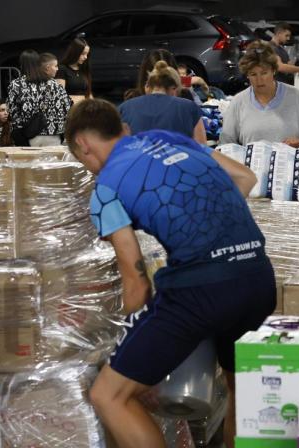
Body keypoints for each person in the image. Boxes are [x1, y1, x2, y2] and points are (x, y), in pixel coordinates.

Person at [64, 98, 272, 448]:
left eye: (81, 160)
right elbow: (244, 177)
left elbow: (136, 282)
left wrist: (126, 348)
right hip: (257, 275)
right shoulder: (167, 139)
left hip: (201, 291)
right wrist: (208, 228)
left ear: (83, 144)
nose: (89, 169)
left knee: (109, 395)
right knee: (243, 390)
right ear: (123, 129)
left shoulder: (105, 189)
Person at [220, 41, 299, 147]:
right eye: (253, 74)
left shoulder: (296, 96)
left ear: (273, 70)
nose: (259, 80)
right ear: (247, 75)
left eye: (264, 73)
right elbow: (227, 141)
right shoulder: (238, 102)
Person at [119, 62, 206, 145]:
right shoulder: (190, 108)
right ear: (174, 88)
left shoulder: (124, 108)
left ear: (147, 87)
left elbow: (116, 147)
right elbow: (202, 149)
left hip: (136, 158)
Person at [7, 50, 72, 147]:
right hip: (54, 133)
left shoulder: (16, 84)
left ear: (22, 64)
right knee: (53, 162)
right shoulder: (53, 83)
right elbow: (67, 105)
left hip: (30, 134)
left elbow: (12, 111)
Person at [57, 37, 92, 103]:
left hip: (84, 107)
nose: (85, 57)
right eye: (83, 54)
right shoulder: (62, 69)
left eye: (87, 54)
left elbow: (88, 93)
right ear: (75, 52)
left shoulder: (83, 69)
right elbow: (60, 95)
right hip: (71, 108)